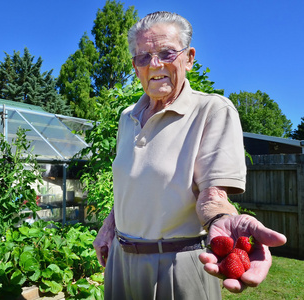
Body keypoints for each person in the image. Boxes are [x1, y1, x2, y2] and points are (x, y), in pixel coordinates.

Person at [93, 11, 287, 299]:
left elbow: (213, 193)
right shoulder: (127, 117)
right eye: (143, 57)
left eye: (166, 52)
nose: (154, 64)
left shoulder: (212, 110)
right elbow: (132, 184)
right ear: (135, 66)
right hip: (121, 263)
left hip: (177, 266)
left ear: (189, 57)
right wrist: (108, 227)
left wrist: (221, 219)